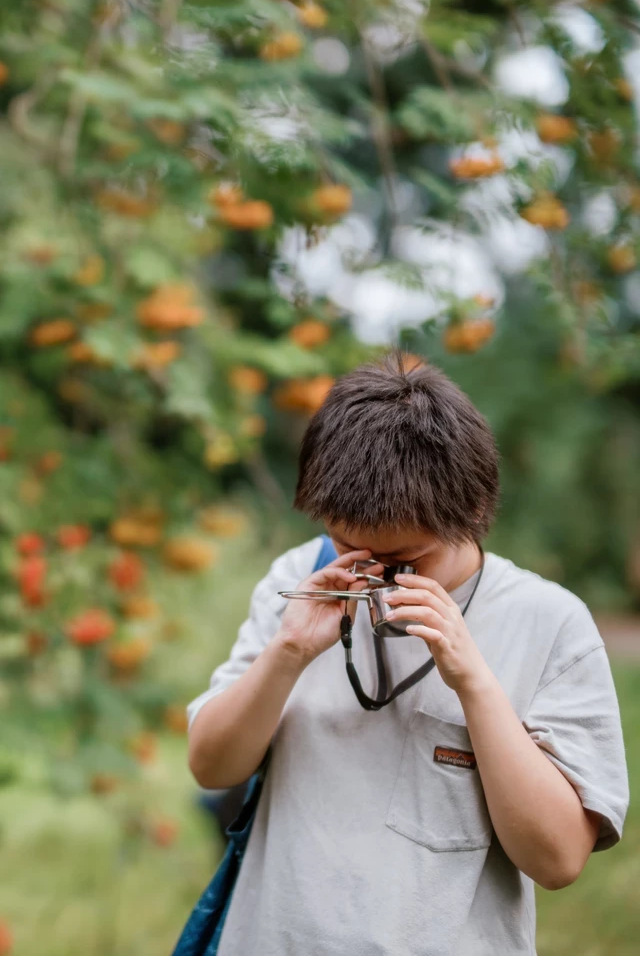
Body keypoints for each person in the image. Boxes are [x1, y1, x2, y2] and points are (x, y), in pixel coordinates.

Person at [185, 354, 628, 955]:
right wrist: (288, 651)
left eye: (404, 561)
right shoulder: (300, 577)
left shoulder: (549, 623)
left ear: (470, 516)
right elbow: (212, 768)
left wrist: (472, 680)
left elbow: (557, 861)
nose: (370, 574)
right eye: (347, 546)